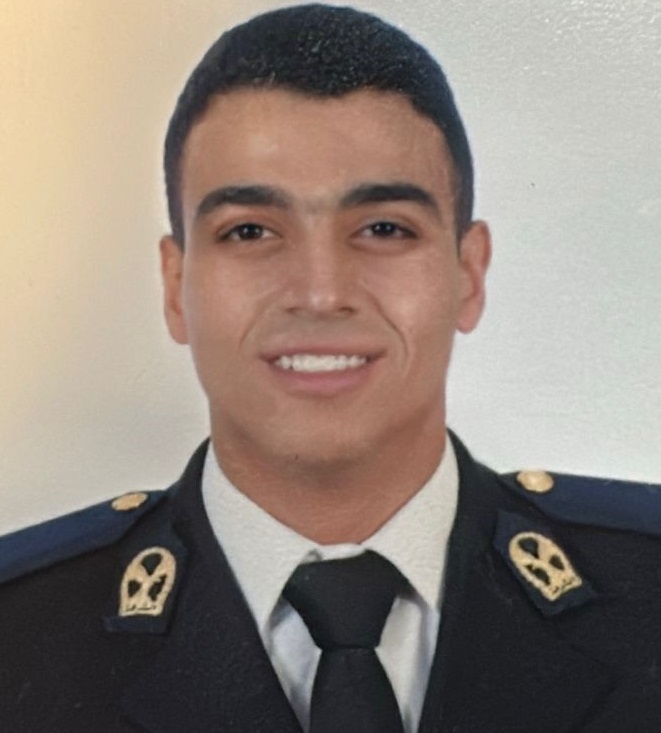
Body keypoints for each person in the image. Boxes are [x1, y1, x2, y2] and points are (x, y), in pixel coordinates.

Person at [1, 4, 661, 732]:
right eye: (250, 231)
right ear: (175, 286)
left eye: (383, 228)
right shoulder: (19, 631)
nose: (320, 293)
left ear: (468, 274)